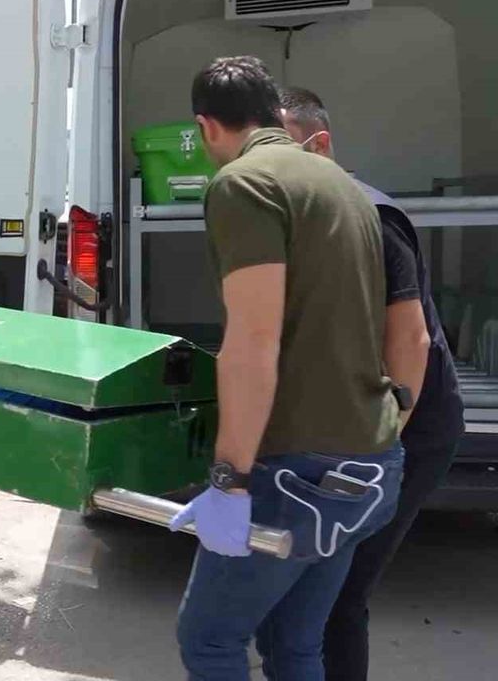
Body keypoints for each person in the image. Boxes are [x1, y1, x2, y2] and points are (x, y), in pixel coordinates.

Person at [168, 56, 403, 680]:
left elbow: (253, 340)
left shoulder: (244, 184)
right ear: (274, 112)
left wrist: (229, 480)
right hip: (370, 455)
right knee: (296, 644)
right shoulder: (342, 184)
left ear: (205, 127)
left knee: (210, 641)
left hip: (298, 470)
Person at [279, 88, 463, 681]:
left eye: (283, 151)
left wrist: (382, 446)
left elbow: (409, 342)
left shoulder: (369, 218)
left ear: (319, 146)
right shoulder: (304, 217)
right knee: (307, 590)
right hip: (351, 430)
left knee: (339, 593)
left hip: (407, 431)